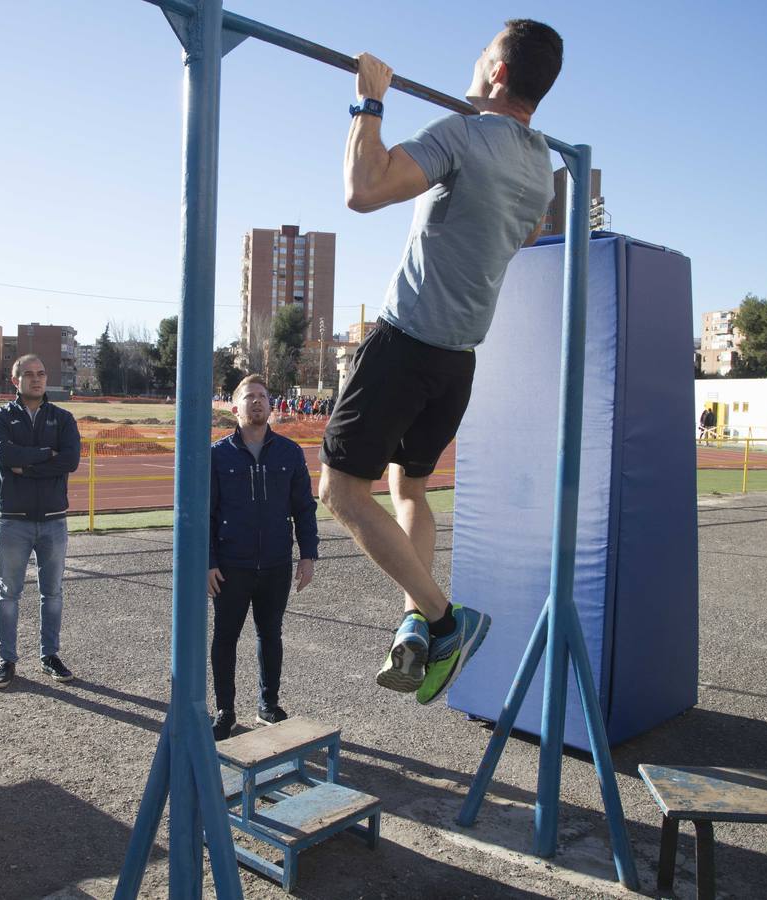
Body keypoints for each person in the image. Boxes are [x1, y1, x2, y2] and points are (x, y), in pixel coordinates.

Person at [317, 21, 564, 706]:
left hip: (403, 347)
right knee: (410, 493)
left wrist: (369, 101)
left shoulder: (463, 134)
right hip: (456, 363)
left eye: (481, 53)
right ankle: (413, 626)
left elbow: (363, 190)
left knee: (338, 493)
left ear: (499, 75)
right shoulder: (541, 166)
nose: (472, 61)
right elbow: (532, 229)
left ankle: (445, 620)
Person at [208, 375, 318, 740]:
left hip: (275, 563)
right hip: (231, 565)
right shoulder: (217, 455)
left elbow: (304, 507)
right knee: (225, 637)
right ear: (235, 408)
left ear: (271, 405)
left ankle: (268, 705)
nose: (257, 402)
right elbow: (207, 513)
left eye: (263, 397)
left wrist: (308, 555)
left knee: (270, 634)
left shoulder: (289, 453)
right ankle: (225, 710)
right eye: (249, 397)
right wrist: (208, 562)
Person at [0, 354, 81, 690]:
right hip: (13, 520)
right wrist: (47, 454)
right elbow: (5, 455)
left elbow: (70, 460)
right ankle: (7, 659)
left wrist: (28, 466)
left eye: (41, 373)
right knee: (8, 594)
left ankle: (49, 656)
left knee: (52, 593)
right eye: (28, 374)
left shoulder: (63, 418)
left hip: (54, 520)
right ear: (15, 381)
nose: (36, 379)